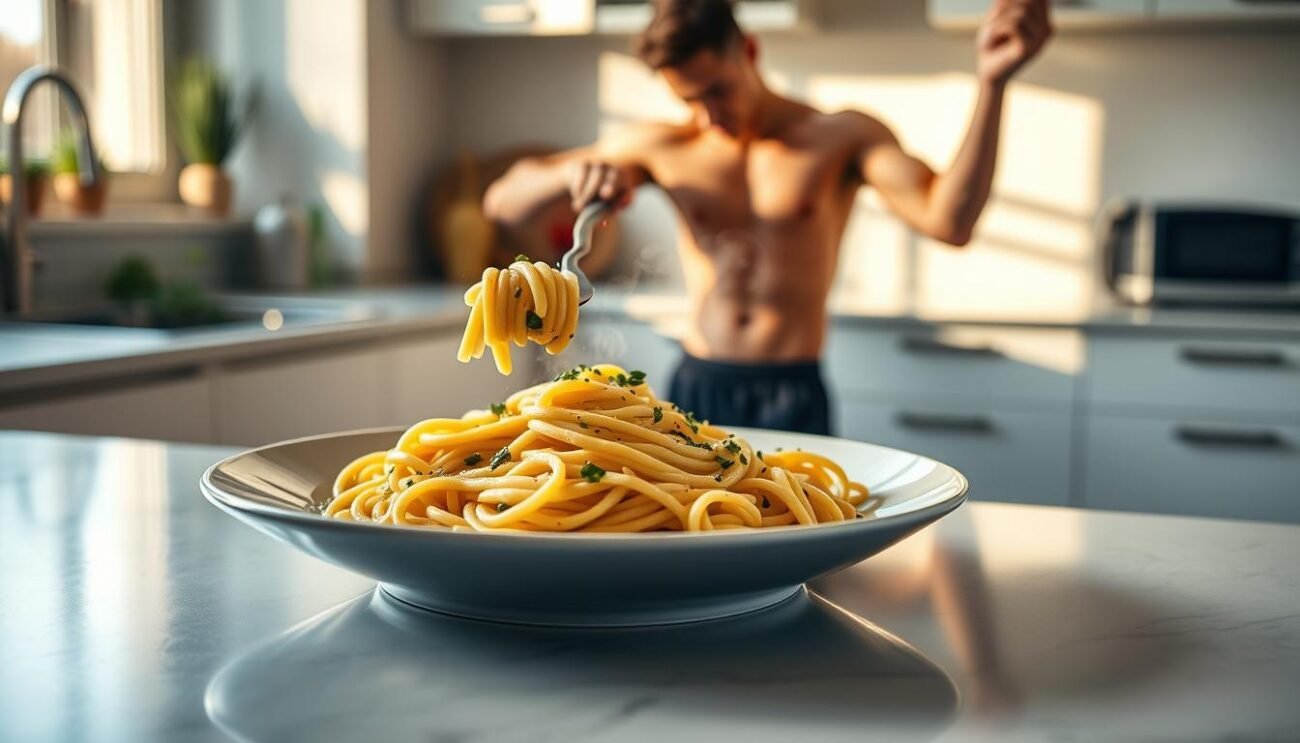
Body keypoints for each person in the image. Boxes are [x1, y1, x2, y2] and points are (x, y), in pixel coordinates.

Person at [483, 0, 1053, 435]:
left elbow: (949, 222)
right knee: (692, 560)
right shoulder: (665, 147)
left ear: (749, 53)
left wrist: (993, 83)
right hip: (696, 383)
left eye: (717, 91)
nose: (709, 115)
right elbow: (503, 203)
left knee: (800, 561)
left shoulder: (840, 137)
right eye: (689, 100)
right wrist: (573, 176)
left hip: (792, 389)